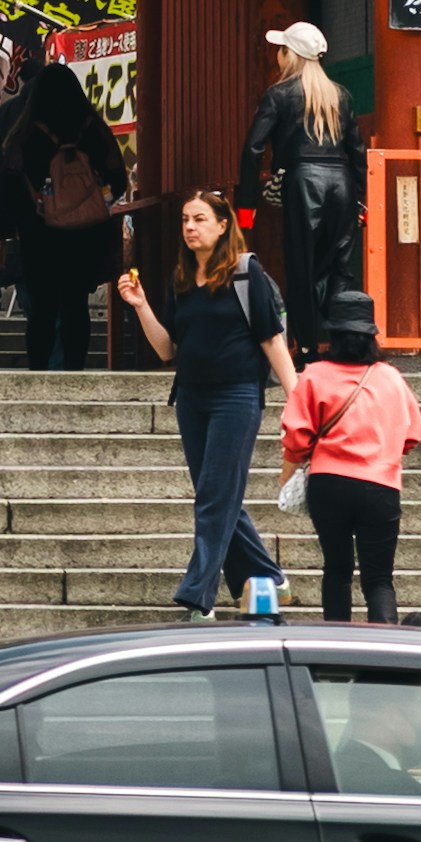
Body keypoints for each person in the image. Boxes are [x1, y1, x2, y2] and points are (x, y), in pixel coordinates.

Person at [120, 188, 290, 614]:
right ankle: (268, 577)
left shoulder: (246, 273)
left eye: (198, 219)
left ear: (222, 225)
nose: (190, 227)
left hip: (237, 396)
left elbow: (271, 338)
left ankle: (199, 594)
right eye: (185, 220)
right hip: (192, 398)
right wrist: (140, 307)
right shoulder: (180, 279)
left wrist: (298, 395)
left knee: (214, 496)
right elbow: (166, 350)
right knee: (217, 493)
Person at [278, 288, 421, 626]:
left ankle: (337, 648)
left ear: (334, 335)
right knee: (379, 579)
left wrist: (287, 473)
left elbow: (296, 437)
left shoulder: (314, 374)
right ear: (371, 336)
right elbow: (412, 433)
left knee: (337, 570)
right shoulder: (390, 378)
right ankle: (386, 649)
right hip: (381, 486)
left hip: (328, 484)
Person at [0, 32, 128, 370]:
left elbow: (7, 183)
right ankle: (74, 369)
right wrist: (94, 201)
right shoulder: (92, 128)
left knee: (40, 308)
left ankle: (39, 371)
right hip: (85, 233)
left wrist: (4, 232)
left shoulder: (23, 135)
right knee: (74, 304)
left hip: (37, 233)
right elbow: (119, 181)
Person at [238, 26, 365, 344]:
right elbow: (358, 151)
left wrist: (246, 206)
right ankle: (345, 344)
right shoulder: (341, 95)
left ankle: (308, 351)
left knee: (300, 269)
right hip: (342, 184)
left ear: (289, 55)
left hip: (302, 182)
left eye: (281, 50)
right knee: (338, 269)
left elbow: (253, 149)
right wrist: (361, 202)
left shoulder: (279, 94)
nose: (277, 56)